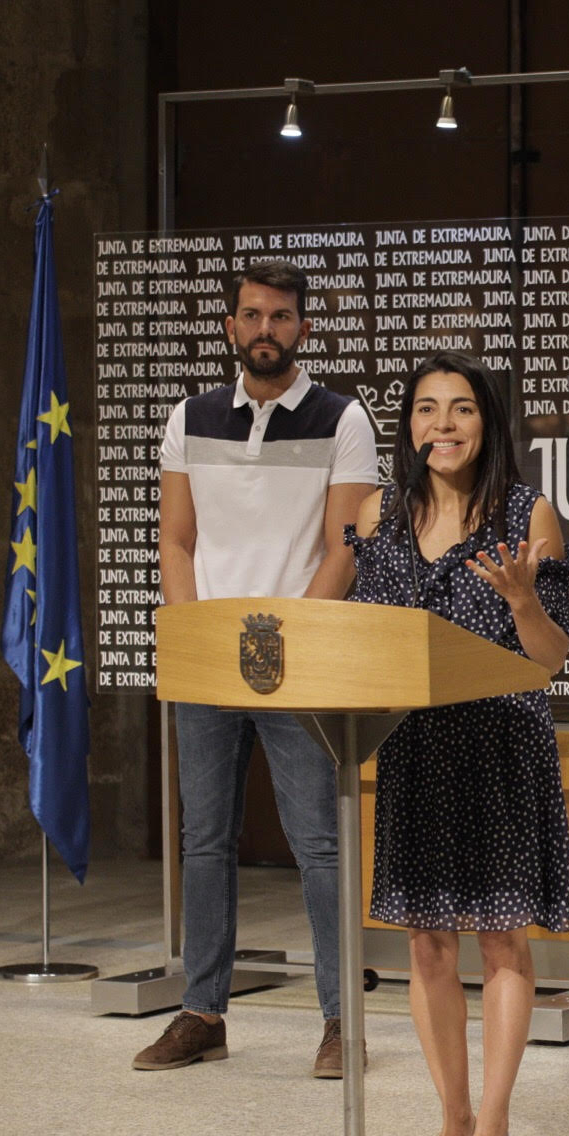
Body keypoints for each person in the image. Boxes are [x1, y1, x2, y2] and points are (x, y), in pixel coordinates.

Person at [139, 258, 378, 1077]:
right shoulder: (191, 417)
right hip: (210, 660)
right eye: (252, 315)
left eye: (280, 316)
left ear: (304, 328)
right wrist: (195, 634)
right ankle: (201, 1012)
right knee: (205, 840)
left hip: (298, 659)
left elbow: (345, 548)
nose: (265, 329)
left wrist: (286, 638)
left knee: (318, 842)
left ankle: (343, 1021)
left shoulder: (343, 418)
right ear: (230, 326)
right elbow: (177, 540)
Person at [347, 352, 569, 1136]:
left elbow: (549, 660)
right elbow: (365, 632)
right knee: (426, 941)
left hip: (501, 744)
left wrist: (523, 599)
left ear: (488, 423)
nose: (442, 425)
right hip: (415, 746)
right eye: (426, 409)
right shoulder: (378, 514)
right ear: (408, 424)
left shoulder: (525, 513)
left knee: (500, 937)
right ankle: (451, 1116)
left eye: (461, 409)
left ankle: (494, 1121)